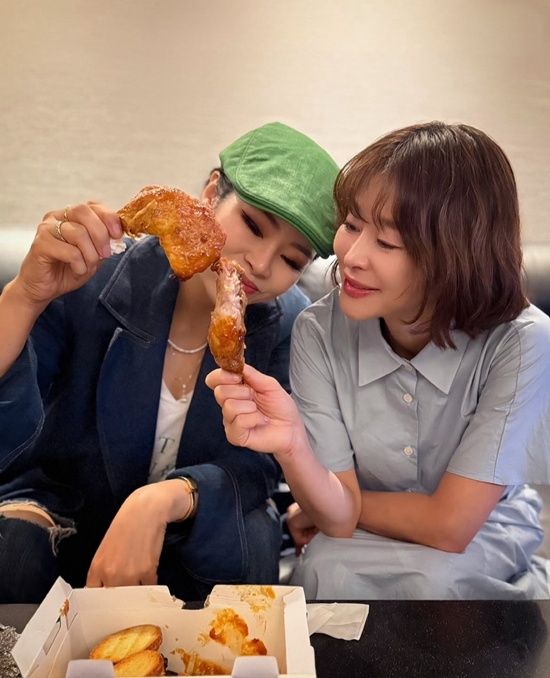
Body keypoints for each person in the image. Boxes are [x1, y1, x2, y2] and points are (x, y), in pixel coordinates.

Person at [207, 121, 550, 600]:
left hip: (485, 526)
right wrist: (296, 451)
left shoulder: (523, 341)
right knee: (324, 569)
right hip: (356, 533)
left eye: (386, 243)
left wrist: (337, 503)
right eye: (351, 225)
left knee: (433, 583)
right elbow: (336, 516)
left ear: (454, 258)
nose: (351, 256)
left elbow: (452, 525)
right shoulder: (316, 330)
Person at [0, 121, 339, 603]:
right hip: (68, 510)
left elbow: (256, 469)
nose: (262, 265)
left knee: (253, 542)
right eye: (252, 225)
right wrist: (24, 296)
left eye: (291, 260)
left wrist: (162, 499)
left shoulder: (288, 326)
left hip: (191, 530)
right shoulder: (94, 275)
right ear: (210, 195)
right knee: (14, 553)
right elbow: (13, 429)